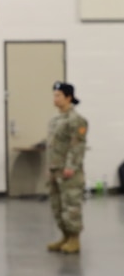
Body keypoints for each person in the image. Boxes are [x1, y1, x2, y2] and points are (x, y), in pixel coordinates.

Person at [45, 81, 88, 254]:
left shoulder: (76, 120)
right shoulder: (55, 120)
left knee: (71, 205)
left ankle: (75, 239)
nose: (55, 99)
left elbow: (77, 145)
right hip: (55, 169)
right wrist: (49, 167)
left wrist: (71, 166)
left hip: (69, 170)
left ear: (69, 97)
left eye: (58, 96)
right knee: (58, 205)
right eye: (54, 95)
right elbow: (52, 146)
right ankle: (64, 236)